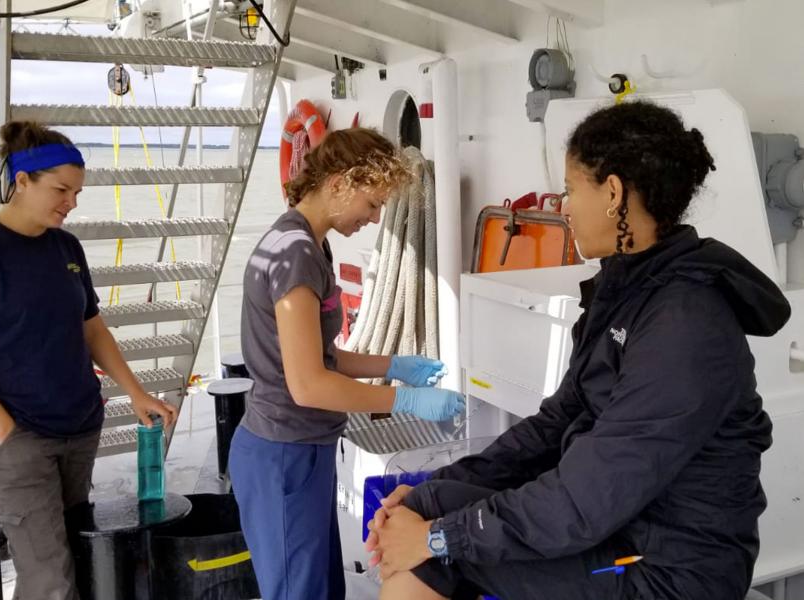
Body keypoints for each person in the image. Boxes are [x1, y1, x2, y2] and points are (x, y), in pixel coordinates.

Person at [366, 101, 790, 600]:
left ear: (613, 193)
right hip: (622, 532)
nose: (563, 207)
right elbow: (557, 423)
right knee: (431, 503)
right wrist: (424, 493)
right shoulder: (626, 290)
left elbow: (585, 502)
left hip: (671, 572)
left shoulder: (685, 326)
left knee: (436, 551)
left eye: (570, 190)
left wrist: (438, 539)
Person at [0, 121, 177, 600]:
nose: (71, 202)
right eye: (61, 189)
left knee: (69, 564)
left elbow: (92, 328)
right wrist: (6, 432)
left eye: (77, 192)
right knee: (50, 581)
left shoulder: (67, 248)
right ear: (21, 181)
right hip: (16, 439)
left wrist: (136, 392)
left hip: (79, 430)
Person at [228, 127, 466, 600]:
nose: (376, 218)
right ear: (339, 183)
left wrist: (395, 364)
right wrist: (407, 398)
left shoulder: (315, 244)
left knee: (319, 587)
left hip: (305, 447)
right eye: (372, 203)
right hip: (282, 455)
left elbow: (324, 355)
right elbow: (310, 385)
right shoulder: (295, 254)